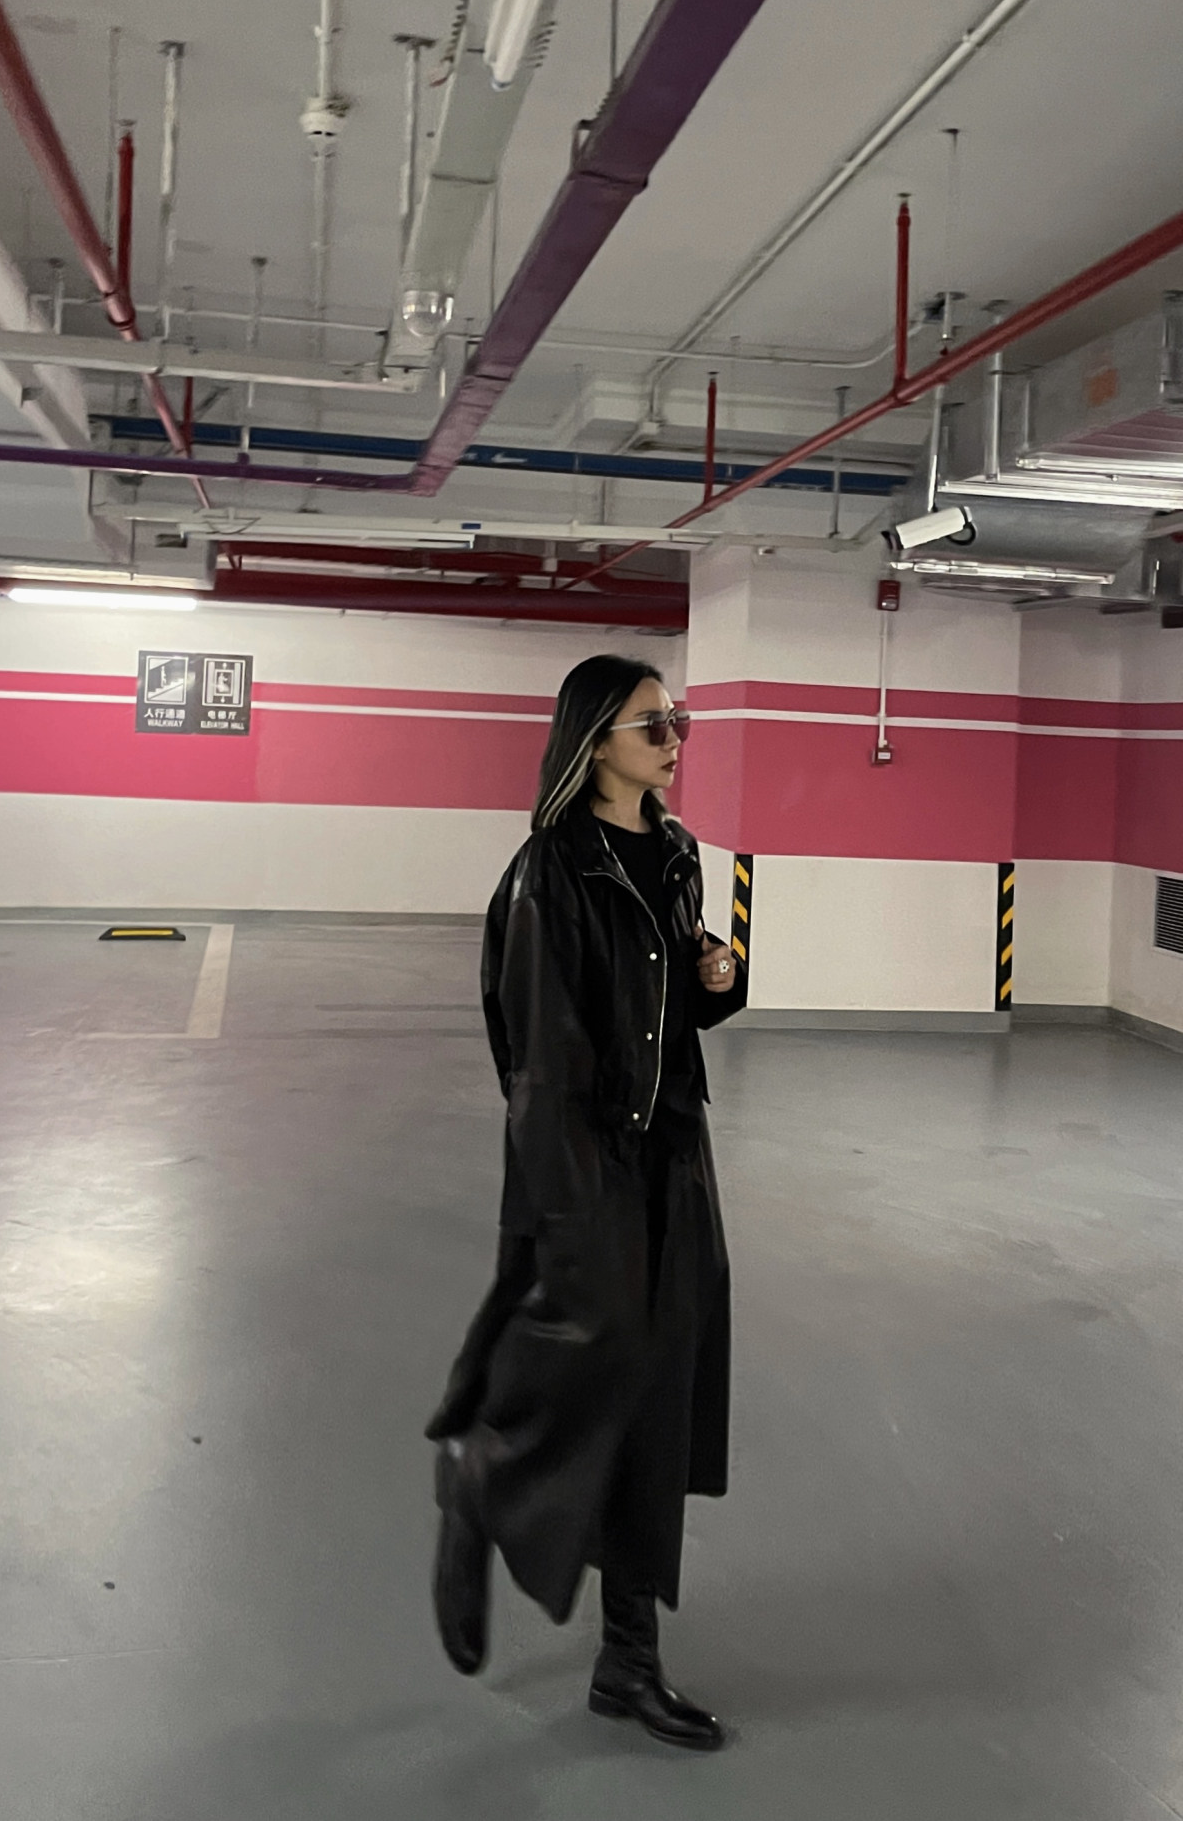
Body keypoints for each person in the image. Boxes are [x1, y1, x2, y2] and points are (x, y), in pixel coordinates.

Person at [424, 653, 746, 1751]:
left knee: (661, 1394)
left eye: (677, 719)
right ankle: (481, 1478)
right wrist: (565, 1201)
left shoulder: (680, 851)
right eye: (654, 724)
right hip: (587, 1157)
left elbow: (671, 1005)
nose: (674, 739)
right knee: (594, 1356)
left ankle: (629, 1661)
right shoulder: (549, 872)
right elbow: (539, 1055)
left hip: (676, 1154)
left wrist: (718, 977)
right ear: (594, 740)